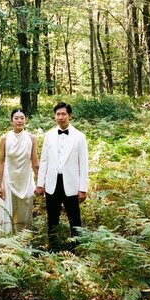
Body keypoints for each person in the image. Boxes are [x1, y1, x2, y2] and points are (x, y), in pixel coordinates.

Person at [35, 102, 88, 251]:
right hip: (52, 183)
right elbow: (44, 161)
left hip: (71, 183)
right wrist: (40, 184)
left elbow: (83, 164)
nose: (60, 117)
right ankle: (54, 246)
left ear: (70, 115)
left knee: (74, 218)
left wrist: (82, 188)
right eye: (57, 114)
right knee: (52, 218)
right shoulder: (49, 135)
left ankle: (76, 247)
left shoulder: (79, 137)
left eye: (63, 114)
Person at [0, 108, 39, 234]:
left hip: (26, 180)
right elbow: (0, 161)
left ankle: (24, 242)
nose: (19, 121)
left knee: (25, 213)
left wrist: (39, 183)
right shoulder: (4, 138)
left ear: (26, 120)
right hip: (8, 179)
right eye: (16, 118)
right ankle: (6, 243)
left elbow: (35, 163)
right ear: (11, 121)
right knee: (7, 212)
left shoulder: (32, 138)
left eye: (22, 118)